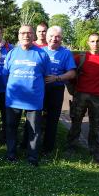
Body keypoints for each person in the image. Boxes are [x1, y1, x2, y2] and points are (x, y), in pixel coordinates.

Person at [67, 32, 99, 163]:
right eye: (92, 41)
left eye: (97, 41)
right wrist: (76, 88)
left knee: (95, 124)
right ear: (88, 43)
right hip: (80, 95)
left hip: (98, 97)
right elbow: (72, 75)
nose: (95, 44)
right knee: (76, 121)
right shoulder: (80, 58)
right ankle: (71, 146)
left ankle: (95, 150)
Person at [3, 25, 52, 166]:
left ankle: (32, 157)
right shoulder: (12, 53)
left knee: (34, 129)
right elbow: (5, 75)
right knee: (11, 127)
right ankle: (11, 154)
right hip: (13, 99)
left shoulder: (42, 54)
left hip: (34, 99)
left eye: (29, 33)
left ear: (33, 35)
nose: (26, 35)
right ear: (18, 35)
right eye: (23, 33)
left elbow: (46, 76)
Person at [41, 26, 76, 154]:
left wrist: (56, 78)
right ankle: (29, 144)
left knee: (52, 119)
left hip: (56, 90)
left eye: (57, 36)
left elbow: (72, 73)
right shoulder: (40, 51)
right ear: (46, 37)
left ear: (61, 38)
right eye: (51, 36)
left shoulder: (66, 53)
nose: (54, 39)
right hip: (39, 90)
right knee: (34, 116)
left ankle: (47, 148)